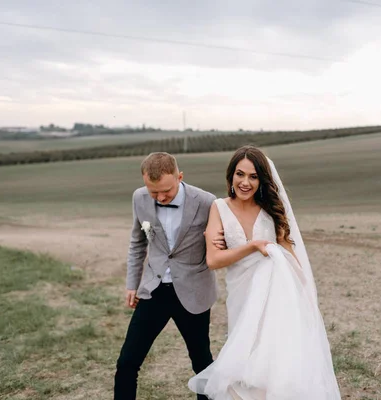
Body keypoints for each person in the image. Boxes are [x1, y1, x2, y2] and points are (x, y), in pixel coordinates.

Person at [188, 146, 341, 399]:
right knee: (244, 367)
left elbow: (290, 253)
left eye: (253, 176)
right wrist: (252, 246)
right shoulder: (219, 208)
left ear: (262, 180)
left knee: (273, 365)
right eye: (240, 174)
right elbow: (214, 260)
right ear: (231, 176)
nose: (245, 182)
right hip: (241, 295)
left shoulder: (272, 210)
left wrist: (305, 296)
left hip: (276, 297)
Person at [114, 152, 224, 400]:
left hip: (193, 292)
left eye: (166, 191)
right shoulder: (139, 198)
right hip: (153, 291)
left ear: (180, 177)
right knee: (127, 362)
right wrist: (132, 284)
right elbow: (137, 243)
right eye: (154, 192)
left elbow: (222, 241)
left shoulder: (207, 201)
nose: (160, 198)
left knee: (202, 364)